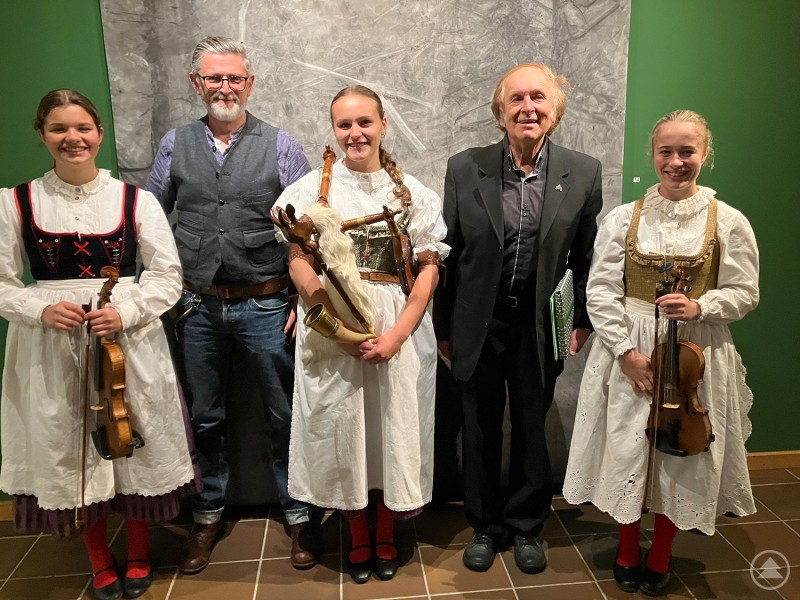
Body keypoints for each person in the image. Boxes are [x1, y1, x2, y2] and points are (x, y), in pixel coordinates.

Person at [0, 89, 197, 600]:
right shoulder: (14, 201)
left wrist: (125, 310)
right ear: (41, 135)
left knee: (128, 437)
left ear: (99, 134)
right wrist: (40, 309)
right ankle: (97, 558)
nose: (73, 139)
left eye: (83, 128)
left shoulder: (136, 200)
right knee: (71, 447)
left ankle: (136, 553)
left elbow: (166, 275)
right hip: (53, 346)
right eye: (60, 129)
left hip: (126, 341)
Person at [563, 110, 759, 595]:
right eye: (666, 152)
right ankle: (628, 547)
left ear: (704, 155)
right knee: (629, 446)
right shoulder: (623, 219)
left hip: (695, 352)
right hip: (630, 350)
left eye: (687, 151)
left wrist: (700, 304)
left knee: (682, 448)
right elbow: (601, 291)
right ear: (653, 156)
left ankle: (663, 551)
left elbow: (744, 291)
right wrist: (626, 351)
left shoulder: (728, 221)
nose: (676, 162)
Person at [144, 36, 319, 574]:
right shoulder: (175, 144)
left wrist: (301, 297)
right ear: (196, 83)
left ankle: (298, 511)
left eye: (234, 78)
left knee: (284, 412)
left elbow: (310, 229)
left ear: (250, 83)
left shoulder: (282, 145)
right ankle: (208, 513)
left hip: (267, 304)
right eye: (213, 78)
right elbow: (149, 220)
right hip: (197, 307)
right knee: (206, 415)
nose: (225, 87)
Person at [432, 63, 603, 574]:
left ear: (555, 109)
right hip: (475, 324)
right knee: (480, 428)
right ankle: (485, 526)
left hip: (539, 324)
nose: (528, 108)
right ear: (500, 112)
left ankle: (528, 527)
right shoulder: (465, 167)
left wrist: (583, 319)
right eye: (517, 100)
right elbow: (446, 252)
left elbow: (586, 255)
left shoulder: (583, 170)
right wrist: (444, 328)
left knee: (531, 426)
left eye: (538, 98)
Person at [273, 85, 448, 583]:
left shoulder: (413, 194)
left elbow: (427, 273)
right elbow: (299, 263)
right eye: (344, 125)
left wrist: (395, 337)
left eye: (364, 123)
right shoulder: (309, 192)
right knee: (342, 428)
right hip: (335, 327)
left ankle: (388, 529)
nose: (355, 134)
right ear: (333, 130)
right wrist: (338, 325)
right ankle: (356, 531)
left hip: (399, 325)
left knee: (393, 427)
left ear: (383, 124)